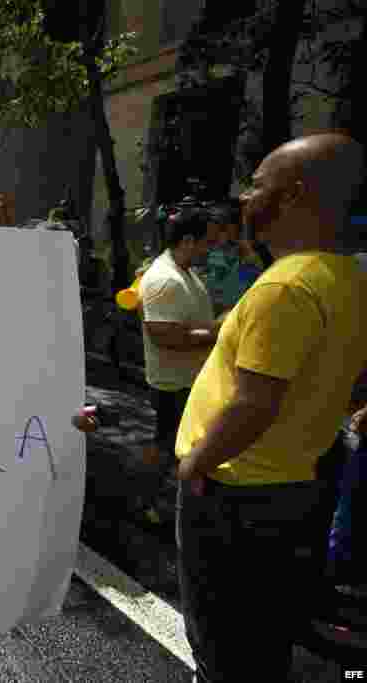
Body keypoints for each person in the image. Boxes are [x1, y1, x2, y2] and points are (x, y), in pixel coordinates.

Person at [174, 133, 367, 682]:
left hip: (235, 493)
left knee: (222, 640)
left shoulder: (284, 286)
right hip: (295, 486)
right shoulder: (350, 277)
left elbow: (255, 404)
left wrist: (196, 463)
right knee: (265, 633)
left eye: (258, 184)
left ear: (295, 194)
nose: (244, 196)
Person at [137, 208, 222, 519]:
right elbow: (164, 336)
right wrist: (218, 334)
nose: (211, 249)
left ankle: (156, 502)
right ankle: (147, 504)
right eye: (207, 242)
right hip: (173, 382)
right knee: (166, 447)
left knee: (173, 445)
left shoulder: (185, 273)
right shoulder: (165, 279)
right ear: (188, 241)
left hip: (188, 379)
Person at [202, 198, 269, 315]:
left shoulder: (248, 256)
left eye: (223, 228)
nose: (217, 234)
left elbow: (247, 284)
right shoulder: (208, 253)